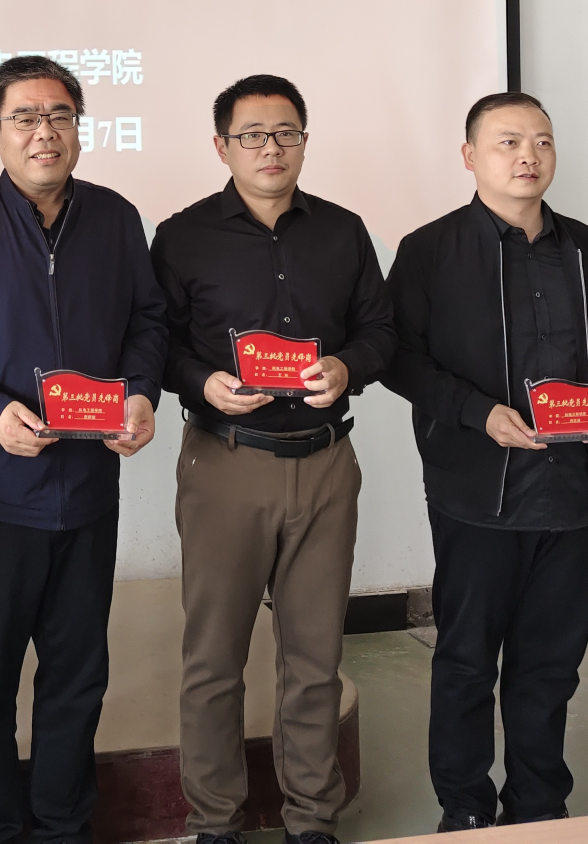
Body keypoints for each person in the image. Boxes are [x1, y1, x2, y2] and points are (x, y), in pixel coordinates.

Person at [0, 53, 168, 844]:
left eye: (59, 115)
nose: (43, 132)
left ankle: (61, 824)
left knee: (77, 679)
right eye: (24, 117)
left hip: (87, 494)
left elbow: (148, 322)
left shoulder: (115, 220)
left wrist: (141, 394)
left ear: (78, 128)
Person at [382, 92, 588, 832]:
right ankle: (465, 810)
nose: (528, 156)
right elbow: (398, 358)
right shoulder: (430, 250)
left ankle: (538, 806)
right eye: (508, 142)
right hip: (479, 495)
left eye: (542, 141)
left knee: (551, 666)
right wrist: (478, 413)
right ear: (470, 156)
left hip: (574, 491)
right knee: (468, 663)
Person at [152, 74, 395, 844]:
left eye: (286, 133)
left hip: (325, 464)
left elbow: (382, 331)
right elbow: (156, 344)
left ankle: (311, 819)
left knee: (315, 658)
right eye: (252, 135)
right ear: (221, 145)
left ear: (304, 142)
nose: (271, 148)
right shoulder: (183, 236)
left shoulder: (343, 232)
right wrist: (202, 383)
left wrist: (348, 367)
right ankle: (215, 821)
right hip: (226, 463)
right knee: (214, 659)